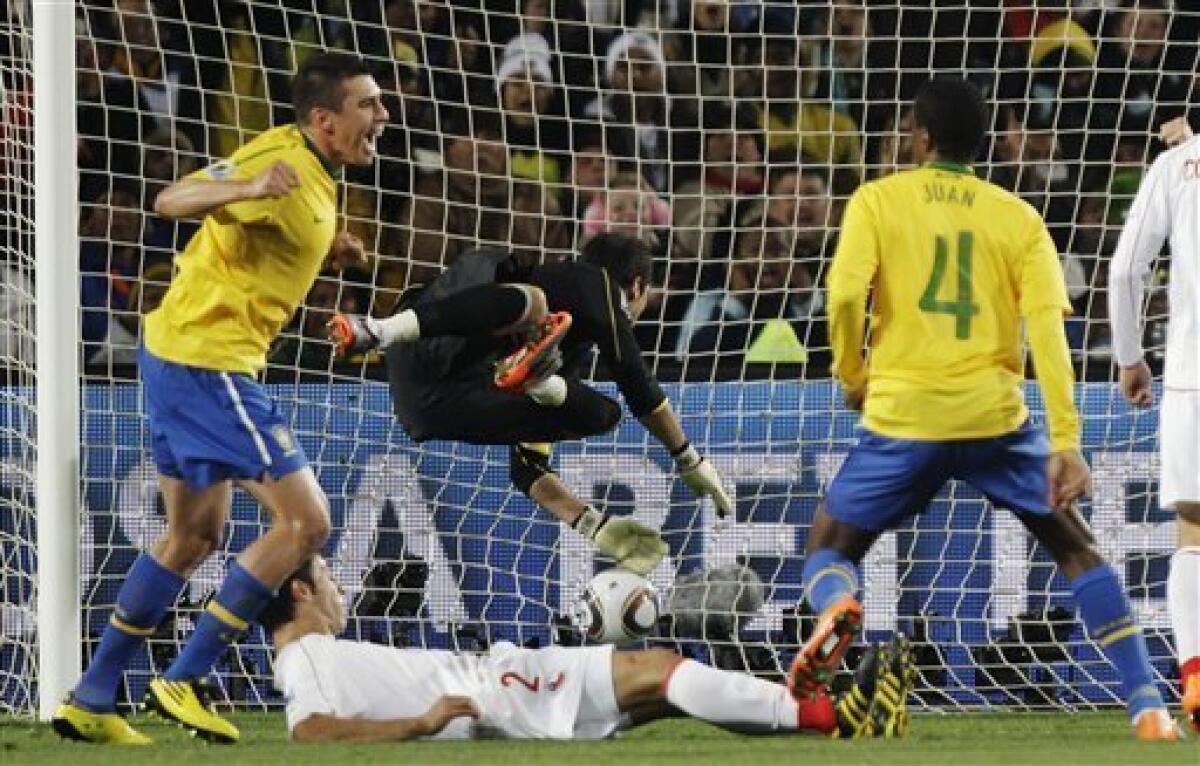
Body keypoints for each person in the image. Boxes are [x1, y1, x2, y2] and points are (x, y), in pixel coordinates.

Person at [791, 77, 1181, 741]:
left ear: (919, 137)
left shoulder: (877, 200)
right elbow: (1048, 336)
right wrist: (1066, 440)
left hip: (904, 413)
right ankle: (1148, 704)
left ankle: (841, 606)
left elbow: (845, 299)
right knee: (1076, 547)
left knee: (830, 546)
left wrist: (853, 374)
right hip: (996, 418)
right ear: (984, 142)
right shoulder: (1018, 217)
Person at [52, 51, 389, 746]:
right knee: (307, 524)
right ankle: (187, 676)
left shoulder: (320, 176)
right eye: (369, 105)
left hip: (182, 355)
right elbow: (170, 201)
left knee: (193, 536)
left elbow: (273, 236)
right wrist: (244, 187)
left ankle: (91, 696)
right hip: (209, 363)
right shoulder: (277, 162)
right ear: (324, 120)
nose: (383, 116)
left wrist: (328, 249)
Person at [330, 233, 731, 576]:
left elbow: (529, 467)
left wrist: (596, 526)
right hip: (426, 341)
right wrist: (687, 457)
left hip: (429, 405)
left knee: (602, 413)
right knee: (533, 304)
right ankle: (377, 329)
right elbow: (637, 381)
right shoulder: (587, 283)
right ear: (638, 286)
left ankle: (538, 382)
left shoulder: (566, 351)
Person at [261, 556, 916, 742]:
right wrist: (420, 723)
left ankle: (823, 712)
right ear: (299, 592)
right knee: (658, 670)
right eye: (328, 579)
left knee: (671, 695)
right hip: (497, 691)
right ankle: (830, 715)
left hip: (500, 685)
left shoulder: (311, 655)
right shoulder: (307, 655)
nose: (340, 588)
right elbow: (309, 732)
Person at [1108, 116, 1200, 732]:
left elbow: (1123, 271)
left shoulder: (1178, 166)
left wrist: (1129, 355)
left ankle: (1195, 672)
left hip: (1195, 375)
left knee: (1194, 529)